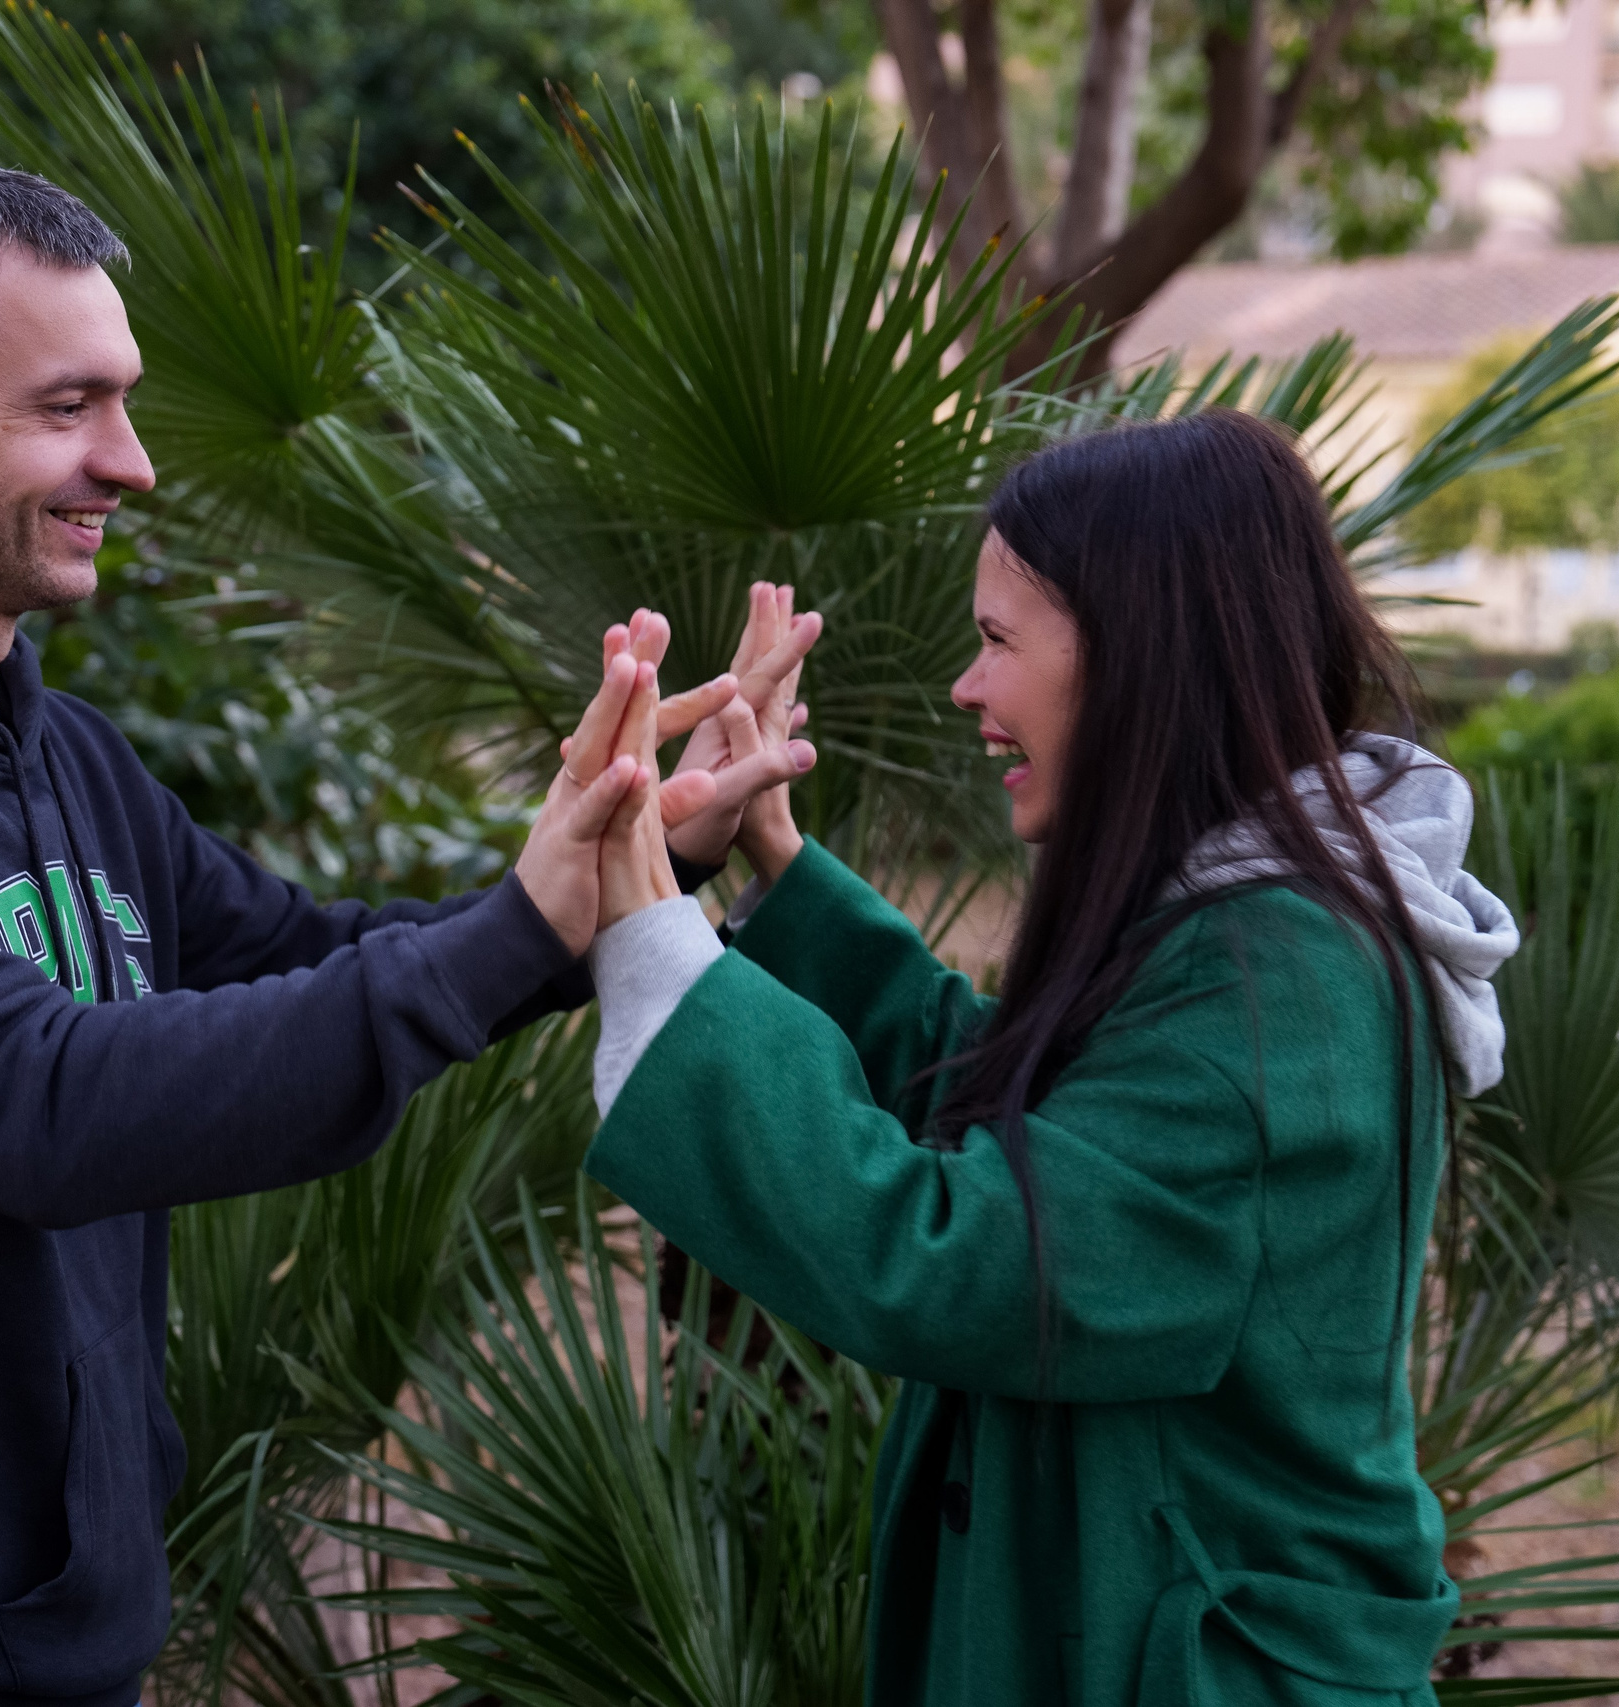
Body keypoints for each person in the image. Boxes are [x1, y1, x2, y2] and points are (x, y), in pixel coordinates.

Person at [0, 161, 807, 1707]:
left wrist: (630, 857)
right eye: (68, 406)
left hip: (68, 1649)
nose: (134, 463)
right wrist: (524, 915)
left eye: (127, 400)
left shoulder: (60, 751)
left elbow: (302, 959)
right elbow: (38, 1106)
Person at [575, 410, 1522, 1706]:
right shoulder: (1244, 911)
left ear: (1142, 655)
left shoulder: (1282, 975)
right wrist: (775, 861)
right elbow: (1043, 1129)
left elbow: (968, 1261)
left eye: (997, 642)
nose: (967, 688)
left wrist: (650, 939)